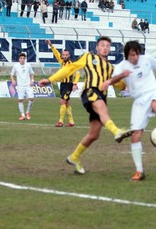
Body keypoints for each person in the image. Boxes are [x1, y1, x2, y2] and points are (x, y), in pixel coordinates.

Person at [39, 36, 132, 174]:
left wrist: (125, 80)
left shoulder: (110, 68)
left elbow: (119, 85)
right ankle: (117, 131)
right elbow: (70, 68)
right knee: (102, 109)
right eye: (102, 45)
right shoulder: (89, 57)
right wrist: (50, 79)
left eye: (107, 45)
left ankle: (74, 157)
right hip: (90, 91)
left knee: (94, 134)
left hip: (102, 96)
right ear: (97, 48)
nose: (105, 47)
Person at [102, 40, 156, 181]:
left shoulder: (147, 60)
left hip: (153, 93)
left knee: (155, 105)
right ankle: (139, 171)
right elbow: (113, 79)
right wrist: (121, 76)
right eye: (132, 55)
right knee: (135, 135)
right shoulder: (122, 66)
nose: (135, 57)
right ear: (127, 55)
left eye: (137, 54)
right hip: (139, 101)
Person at [46, 39, 80, 127]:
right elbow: (56, 53)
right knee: (67, 103)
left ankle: (60, 121)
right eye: (63, 55)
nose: (64, 56)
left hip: (68, 85)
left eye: (66, 55)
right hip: (62, 85)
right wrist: (51, 45)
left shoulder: (72, 64)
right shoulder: (62, 61)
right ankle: (71, 121)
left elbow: (77, 74)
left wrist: (75, 83)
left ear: (69, 55)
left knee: (62, 102)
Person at [11, 53, 35, 120]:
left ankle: (27, 112)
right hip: (20, 85)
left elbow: (32, 73)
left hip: (28, 85)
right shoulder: (16, 66)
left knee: (31, 98)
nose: (22, 60)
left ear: (25, 59)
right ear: (19, 59)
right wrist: (13, 80)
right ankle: (22, 115)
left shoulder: (28, 65)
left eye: (23, 58)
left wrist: (32, 80)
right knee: (20, 100)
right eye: (21, 58)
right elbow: (11, 74)